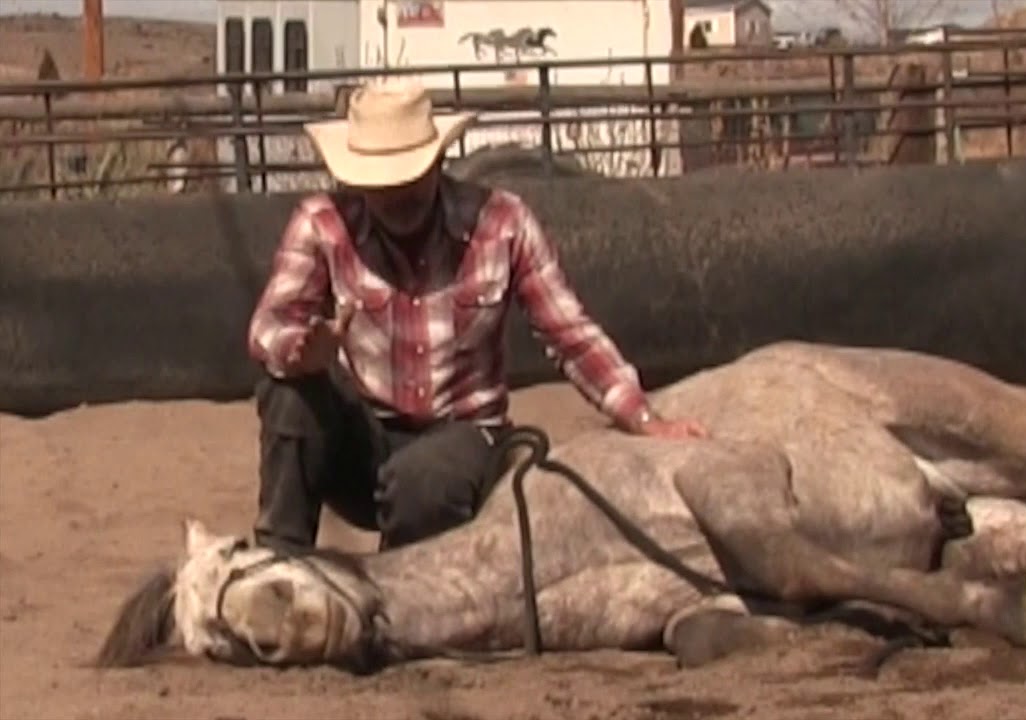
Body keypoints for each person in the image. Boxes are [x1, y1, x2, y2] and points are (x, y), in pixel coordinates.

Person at [246, 79, 707, 553]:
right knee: (287, 392)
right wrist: (298, 351)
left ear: (439, 163)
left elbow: (570, 333)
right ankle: (277, 562)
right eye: (380, 185)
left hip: (462, 436)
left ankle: (404, 598)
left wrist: (642, 417)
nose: (396, 195)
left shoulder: (502, 223)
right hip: (362, 435)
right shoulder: (322, 224)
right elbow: (270, 324)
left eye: (409, 178)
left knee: (423, 482)